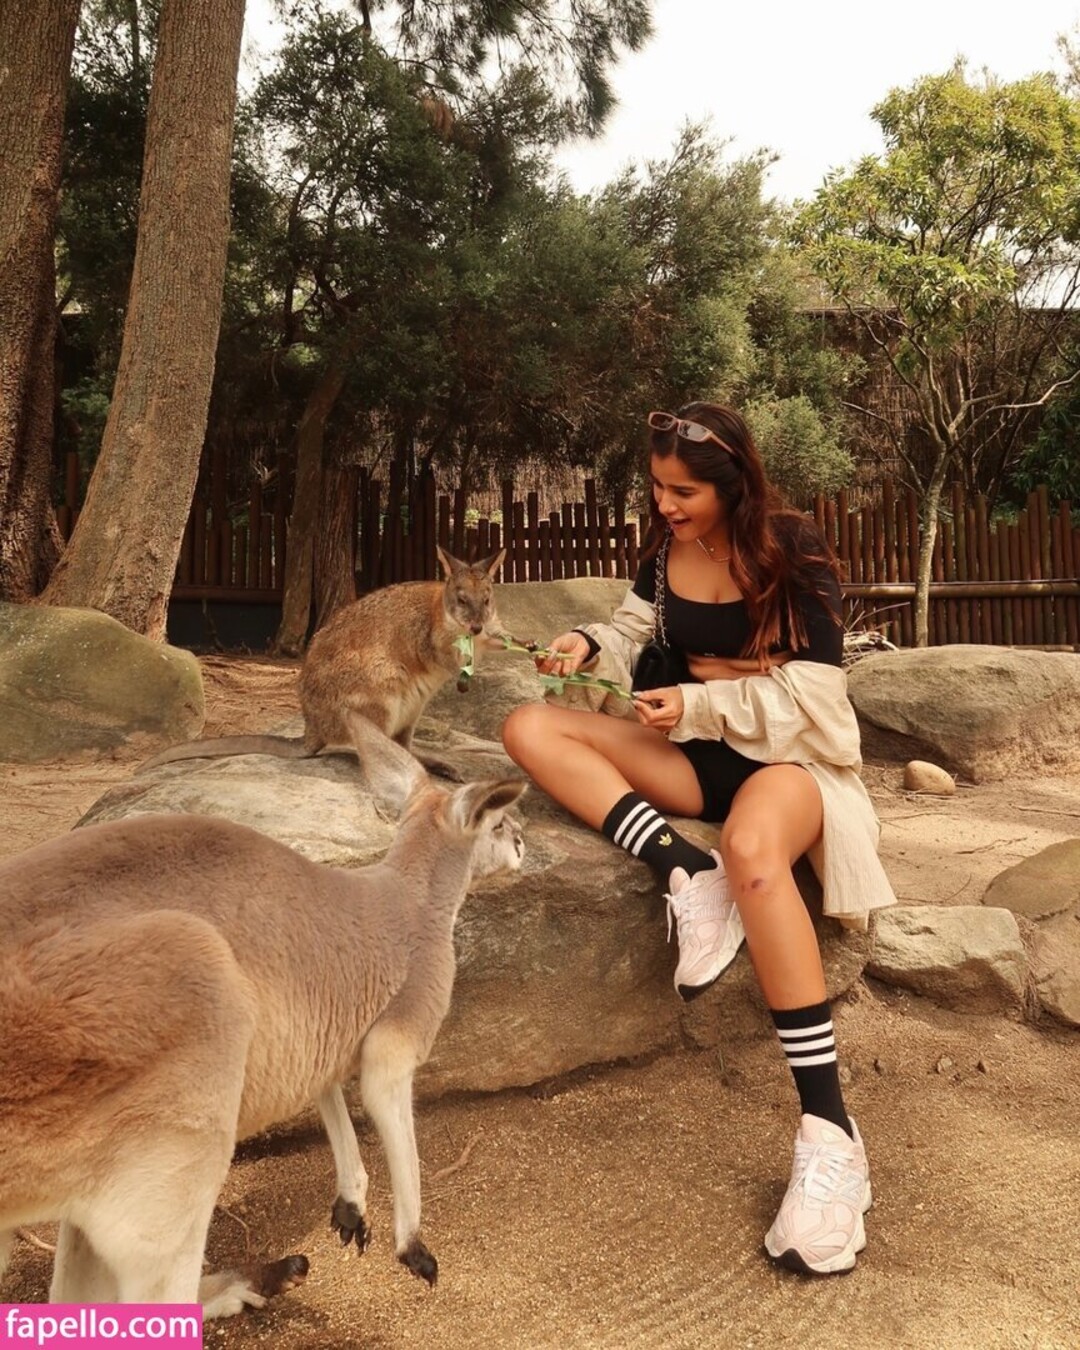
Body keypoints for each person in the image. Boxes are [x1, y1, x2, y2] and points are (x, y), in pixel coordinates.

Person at [501, 402, 897, 1276]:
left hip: (791, 764)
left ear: (733, 485)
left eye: (683, 491)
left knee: (754, 852)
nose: (665, 504)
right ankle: (683, 867)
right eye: (656, 486)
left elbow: (818, 697)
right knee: (529, 727)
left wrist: (702, 701)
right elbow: (631, 629)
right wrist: (585, 643)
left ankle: (831, 1136)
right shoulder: (663, 553)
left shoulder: (793, 550)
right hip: (693, 756)